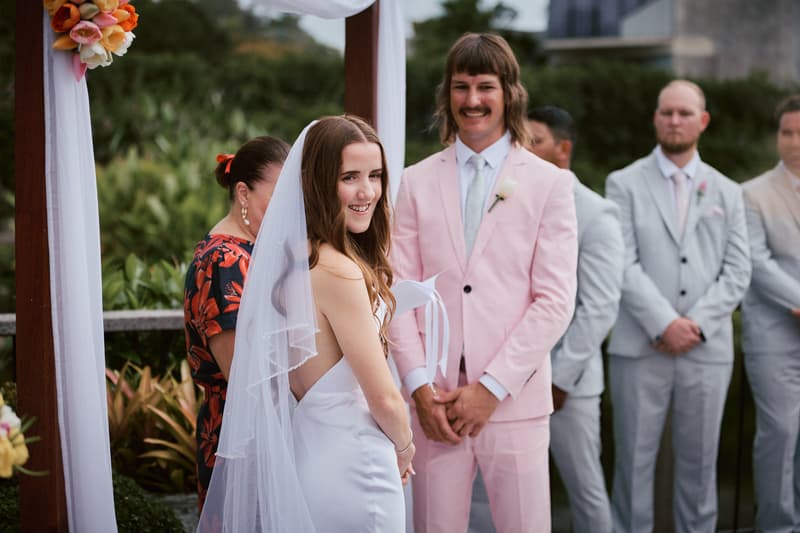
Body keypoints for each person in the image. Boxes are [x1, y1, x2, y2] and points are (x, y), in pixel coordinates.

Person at [390, 33, 578, 533]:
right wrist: (419, 389)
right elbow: (398, 293)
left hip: (513, 402)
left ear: (508, 93)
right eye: (461, 86)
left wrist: (491, 388)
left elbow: (554, 301)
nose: (472, 100)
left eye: (485, 86)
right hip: (435, 408)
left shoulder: (548, 184)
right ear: (447, 94)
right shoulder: (415, 181)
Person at [198, 115, 414, 532]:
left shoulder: (294, 261)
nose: (367, 191)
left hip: (309, 458)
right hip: (357, 464)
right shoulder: (339, 272)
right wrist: (404, 447)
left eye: (376, 175)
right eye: (349, 177)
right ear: (317, 182)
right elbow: (384, 397)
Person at [604, 79, 751, 533]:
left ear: (702, 121)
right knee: (632, 464)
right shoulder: (623, 183)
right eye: (667, 112)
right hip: (639, 347)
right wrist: (664, 322)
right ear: (655, 118)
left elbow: (738, 271)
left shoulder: (728, 192)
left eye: (684, 113)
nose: (674, 120)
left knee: (700, 465)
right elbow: (621, 261)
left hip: (706, 351)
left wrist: (697, 324)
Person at [526, 105, 621, 533]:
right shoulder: (509, 200)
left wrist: (560, 379)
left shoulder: (597, 213)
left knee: (586, 490)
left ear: (563, 149)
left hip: (571, 384)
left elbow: (599, 307)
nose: (523, 151)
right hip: (505, 381)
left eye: (535, 141)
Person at [183, 135, 289, 510]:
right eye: (279, 197)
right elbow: (242, 374)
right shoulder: (223, 262)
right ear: (243, 193)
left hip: (265, 429)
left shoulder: (252, 250)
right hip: (243, 436)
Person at [741, 94, 800, 533]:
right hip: (774, 334)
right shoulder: (753, 193)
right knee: (779, 434)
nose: (795, 142)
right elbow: (756, 262)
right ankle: (777, 526)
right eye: (787, 132)